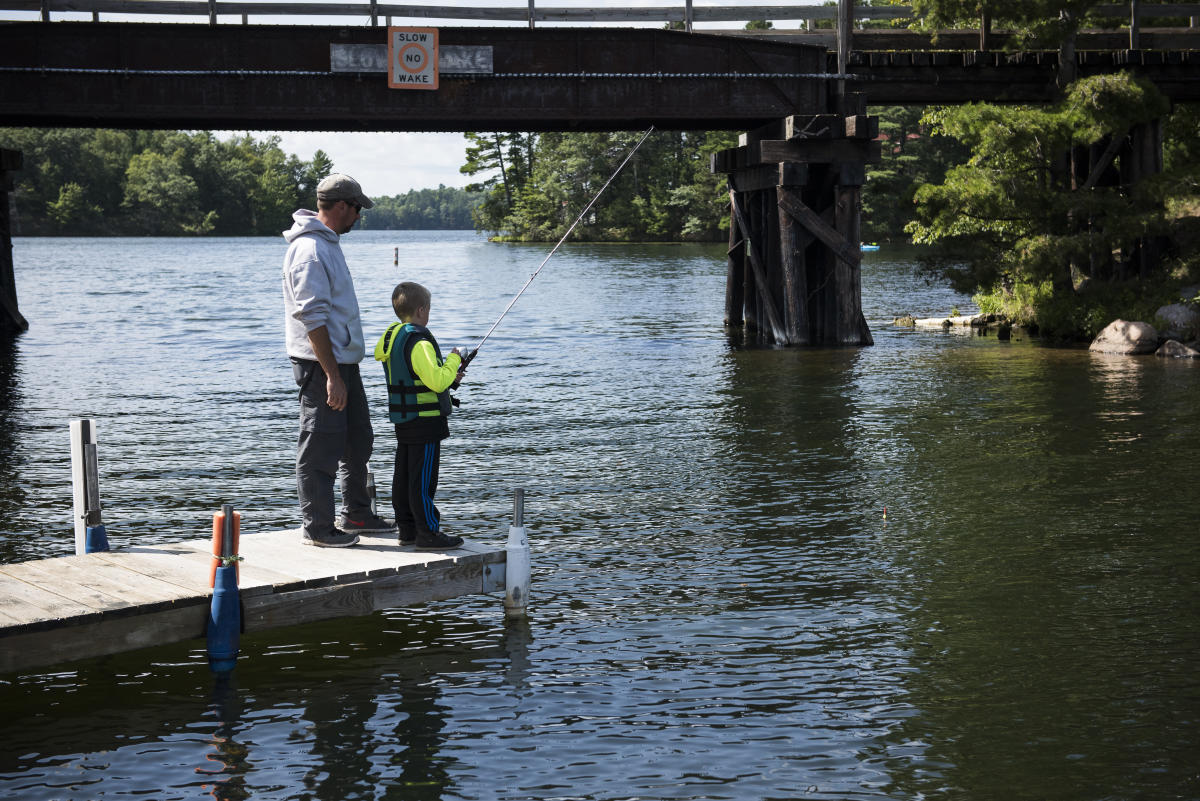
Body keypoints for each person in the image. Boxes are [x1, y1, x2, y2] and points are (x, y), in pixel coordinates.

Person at [282, 173, 397, 547]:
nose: (359, 216)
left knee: (357, 439)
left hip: (342, 362)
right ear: (342, 206)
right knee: (320, 445)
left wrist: (343, 369)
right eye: (357, 209)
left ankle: (356, 514)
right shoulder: (310, 250)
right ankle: (317, 527)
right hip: (321, 366)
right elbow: (312, 318)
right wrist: (332, 376)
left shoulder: (327, 244)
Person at [374, 281, 465, 550]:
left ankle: (407, 530)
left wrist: (451, 377)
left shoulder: (394, 337)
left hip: (405, 421)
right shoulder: (420, 341)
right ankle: (428, 533)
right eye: (429, 309)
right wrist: (453, 360)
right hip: (425, 423)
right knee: (423, 480)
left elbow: (420, 376)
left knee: (403, 476)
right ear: (422, 310)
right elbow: (437, 382)